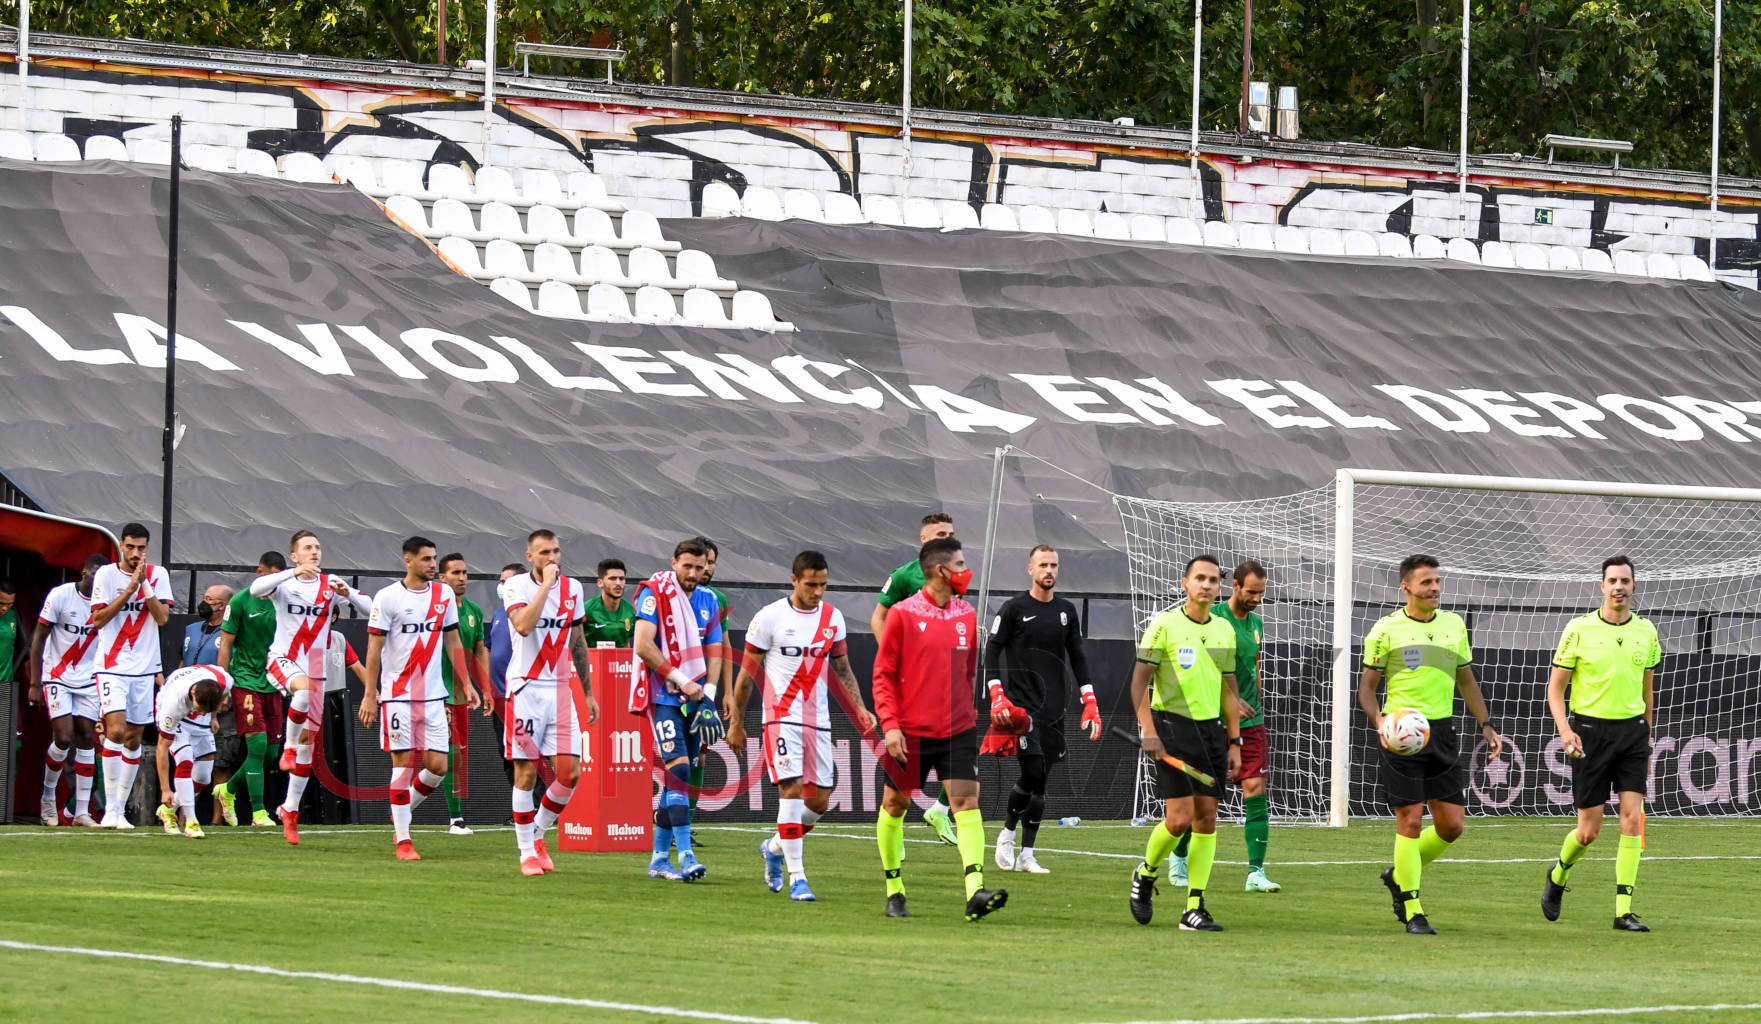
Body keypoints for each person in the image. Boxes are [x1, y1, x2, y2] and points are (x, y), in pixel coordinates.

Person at [1359, 553, 1502, 936]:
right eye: (1426, 582)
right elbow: (1367, 689)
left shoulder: (1454, 625)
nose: (1435, 588)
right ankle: (1412, 909)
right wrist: (1381, 722)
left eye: (1437, 581)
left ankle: (1399, 875)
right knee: (1410, 820)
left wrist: (1486, 724)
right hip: (1401, 737)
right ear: (1406, 587)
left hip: (1441, 733)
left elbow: (1466, 680)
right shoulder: (1386, 630)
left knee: (1452, 826)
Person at [729, 550, 877, 901]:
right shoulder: (769, 618)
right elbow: (746, 676)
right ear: (794, 580)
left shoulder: (832, 618)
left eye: (823, 584)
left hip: (818, 720)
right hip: (780, 717)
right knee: (792, 791)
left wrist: (860, 707)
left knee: (819, 802)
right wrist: (737, 722)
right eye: (811, 584)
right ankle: (798, 878)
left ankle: (774, 847)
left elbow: (843, 669)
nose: (818, 592)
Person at [872, 536, 1006, 921]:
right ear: (940, 570)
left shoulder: (967, 614)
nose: (966, 571)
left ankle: (975, 891)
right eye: (960, 565)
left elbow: (966, 673)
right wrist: (891, 726)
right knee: (894, 806)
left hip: (956, 731)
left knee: (966, 803)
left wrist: (970, 715)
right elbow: (883, 674)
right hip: (909, 732)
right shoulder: (901, 614)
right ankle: (895, 890)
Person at [1542, 556, 1659, 933]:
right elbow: (1555, 689)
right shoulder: (1579, 629)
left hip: (1632, 734)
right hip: (1590, 734)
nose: (1619, 587)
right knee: (1588, 832)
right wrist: (1565, 731)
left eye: (1625, 580)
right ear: (1602, 586)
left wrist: (1647, 737)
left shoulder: (1647, 632)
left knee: (1631, 819)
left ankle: (1624, 911)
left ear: (1634, 586)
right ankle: (1558, 874)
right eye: (1612, 581)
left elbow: (1647, 692)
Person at [1127, 555, 1241, 931]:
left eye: (1213, 580)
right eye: (1200, 578)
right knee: (1179, 819)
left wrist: (1234, 741)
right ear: (1185, 583)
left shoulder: (1224, 630)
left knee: (1207, 818)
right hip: (1171, 729)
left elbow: (1228, 691)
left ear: (1219, 587)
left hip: (1211, 734)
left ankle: (1194, 906)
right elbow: (1138, 684)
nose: (1207, 585)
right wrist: (1149, 731)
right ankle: (1146, 873)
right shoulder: (1163, 625)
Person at [250, 529, 374, 845]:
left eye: (317, 547)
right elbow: (254, 589)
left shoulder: (330, 584)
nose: (314, 552)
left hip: (316, 666)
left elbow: (371, 609)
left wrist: (348, 593)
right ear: (295, 555)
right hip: (284, 658)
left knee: (308, 750)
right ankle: (288, 747)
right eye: (307, 548)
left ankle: (290, 809)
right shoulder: (285, 583)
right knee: (302, 695)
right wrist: (291, 572)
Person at [360, 536, 479, 861]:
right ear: (408, 561)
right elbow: (374, 648)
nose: (431, 564)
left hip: (434, 697)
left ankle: (401, 808)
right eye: (426, 559)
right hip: (398, 697)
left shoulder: (443, 595)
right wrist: (370, 694)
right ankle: (403, 838)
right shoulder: (388, 597)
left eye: (433, 558)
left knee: (438, 767)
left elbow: (453, 640)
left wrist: (466, 683)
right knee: (402, 766)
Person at [984, 544, 1098, 875]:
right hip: (1022, 708)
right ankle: (1007, 834)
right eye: (1043, 565)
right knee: (1032, 771)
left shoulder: (1066, 611)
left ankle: (1028, 854)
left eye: (1054, 565)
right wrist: (997, 694)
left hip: (1054, 710)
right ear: (1030, 569)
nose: (1049, 570)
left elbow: (1078, 656)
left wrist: (1090, 700)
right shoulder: (1013, 609)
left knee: (1042, 780)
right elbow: (992, 650)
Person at [1170, 560, 1279, 892]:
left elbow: (1253, 666)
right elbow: (1206, 670)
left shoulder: (1256, 624)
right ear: (1235, 586)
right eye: (1251, 592)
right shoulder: (1214, 618)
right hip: (1214, 721)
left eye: (1261, 593)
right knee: (1203, 800)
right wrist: (1233, 702)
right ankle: (1179, 856)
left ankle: (1256, 873)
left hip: (1252, 721)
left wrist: (1255, 697)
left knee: (1256, 789)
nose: (1256, 599)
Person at [503, 529, 600, 875]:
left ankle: (538, 833)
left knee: (570, 773)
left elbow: (578, 641)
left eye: (556, 551)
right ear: (530, 557)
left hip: (560, 690)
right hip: (525, 689)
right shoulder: (515, 586)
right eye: (544, 552)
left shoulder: (574, 589)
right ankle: (526, 853)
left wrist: (587, 692)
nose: (552, 558)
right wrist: (545, 585)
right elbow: (524, 625)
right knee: (527, 772)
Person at [632, 538, 725, 881]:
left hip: (696, 697)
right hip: (665, 696)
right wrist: (682, 680)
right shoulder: (653, 593)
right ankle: (685, 855)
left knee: (680, 776)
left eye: (700, 567)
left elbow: (715, 648)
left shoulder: (708, 599)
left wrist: (709, 696)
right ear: (673, 563)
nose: (693, 573)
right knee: (681, 770)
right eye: (687, 566)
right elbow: (643, 645)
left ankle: (658, 859)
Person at [870, 512, 959, 846]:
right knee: (902, 783)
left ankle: (940, 810)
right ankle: (894, 833)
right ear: (924, 539)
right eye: (940, 534)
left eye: (950, 534)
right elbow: (878, 617)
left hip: (945, 682)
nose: (947, 538)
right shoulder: (905, 576)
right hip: (911, 687)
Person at [89, 522, 175, 829]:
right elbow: (97, 619)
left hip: (144, 667)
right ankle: (110, 809)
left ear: (147, 548)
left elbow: (162, 618)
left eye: (141, 548)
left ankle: (120, 810)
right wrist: (129, 590)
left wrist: (145, 585)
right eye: (130, 547)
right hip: (111, 665)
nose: (136, 553)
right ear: (121, 547)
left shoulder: (158, 574)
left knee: (134, 737)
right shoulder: (106, 575)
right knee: (115, 731)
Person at [27, 555, 106, 826]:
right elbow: (38, 639)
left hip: (89, 679)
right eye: (94, 575)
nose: (97, 581)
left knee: (86, 737)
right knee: (63, 736)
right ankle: (48, 797)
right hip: (57, 676)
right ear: (84, 573)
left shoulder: (107, 605)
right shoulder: (60, 595)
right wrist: (35, 683)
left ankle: (81, 812)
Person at [217, 551, 287, 827]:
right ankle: (259, 813)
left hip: (274, 681)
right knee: (257, 746)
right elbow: (225, 645)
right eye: (271, 577)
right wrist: (223, 686)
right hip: (245, 680)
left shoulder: (285, 602)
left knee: (271, 753)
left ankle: (228, 789)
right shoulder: (240, 601)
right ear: (260, 573)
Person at [439, 552, 494, 835]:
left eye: (464, 573)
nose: (462, 578)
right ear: (442, 577)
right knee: (448, 756)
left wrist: (486, 688)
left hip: (463, 696)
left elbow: (479, 651)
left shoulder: (473, 610)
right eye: (455, 573)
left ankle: (406, 802)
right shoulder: (435, 609)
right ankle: (455, 818)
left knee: (457, 756)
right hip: (439, 694)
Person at [152, 664, 233, 839]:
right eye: (200, 708)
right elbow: (161, 747)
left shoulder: (224, 681)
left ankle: (168, 810)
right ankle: (191, 822)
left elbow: (221, 695)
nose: (202, 712)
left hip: (200, 721)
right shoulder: (173, 704)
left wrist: (212, 717)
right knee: (185, 760)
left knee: (203, 778)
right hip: (178, 720)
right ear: (194, 694)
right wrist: (165, 789)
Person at [486, 562, 523, 794]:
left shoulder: (528, 612)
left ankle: (538, 805)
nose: (501, 586)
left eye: (506, 581)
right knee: (507, 754)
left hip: (520, 695)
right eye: (500, 581)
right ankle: (520, 804)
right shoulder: (499, 613)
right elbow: (489, 648)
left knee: (526, 754)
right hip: (499, 696)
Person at [582, 558, 635, 649]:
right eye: (612, 578)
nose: (618, 583)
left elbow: (626, 643)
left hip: (621, 658)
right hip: (592, 658)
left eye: (621, 579)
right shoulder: (586, 610)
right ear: (600, 583)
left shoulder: (631, 610)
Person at [180, 584, 233, 670]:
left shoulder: (231, 633)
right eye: (204, 598)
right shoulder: (191, 629)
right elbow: (183, 661)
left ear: (221, 605)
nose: (204, 603)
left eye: (209, 599)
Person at [0, 579, 20, 684]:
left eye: (9, 604)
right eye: (1, 603)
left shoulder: (12, 615)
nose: (4, 608)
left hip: (6, 681)